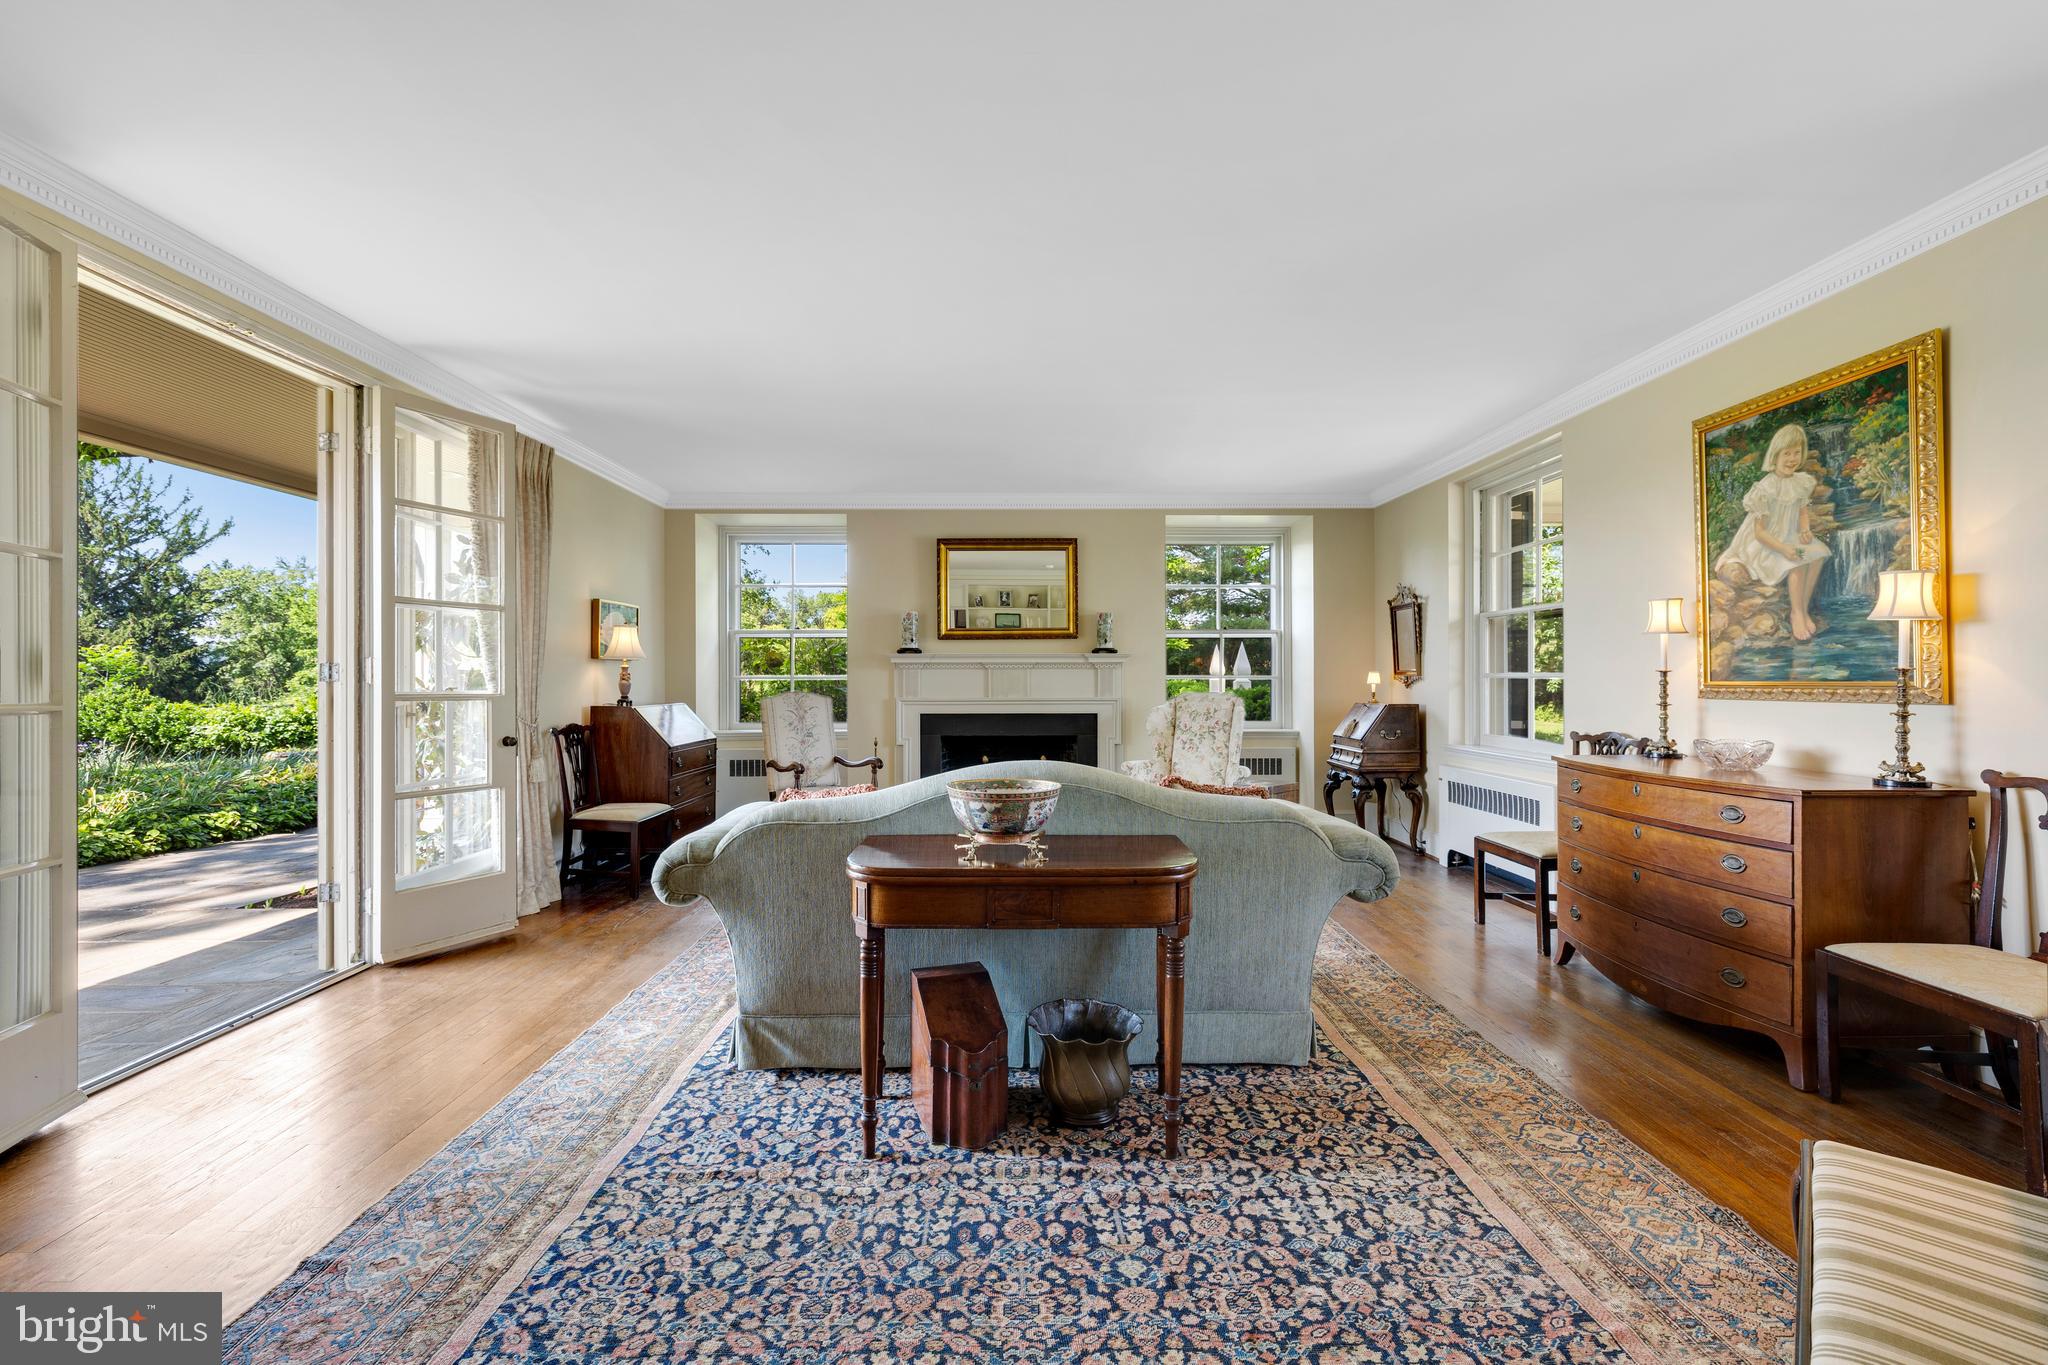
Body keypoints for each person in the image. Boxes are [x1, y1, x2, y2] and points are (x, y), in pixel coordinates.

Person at [1714, 423, 1832, 640]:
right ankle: (1796, 614)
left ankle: (1802, 609)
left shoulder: (1801, 482)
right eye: (1786, 453)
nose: (1792, 459)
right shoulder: (1765, 488)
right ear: (1775, 455)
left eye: (1797, 453)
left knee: (1818, 554)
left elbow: (1802, 512)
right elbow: (1759, 533)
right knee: (1796, 562)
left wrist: (1805, 530)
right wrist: (1784, 549)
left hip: (1788, 536)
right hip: (1763, 543)